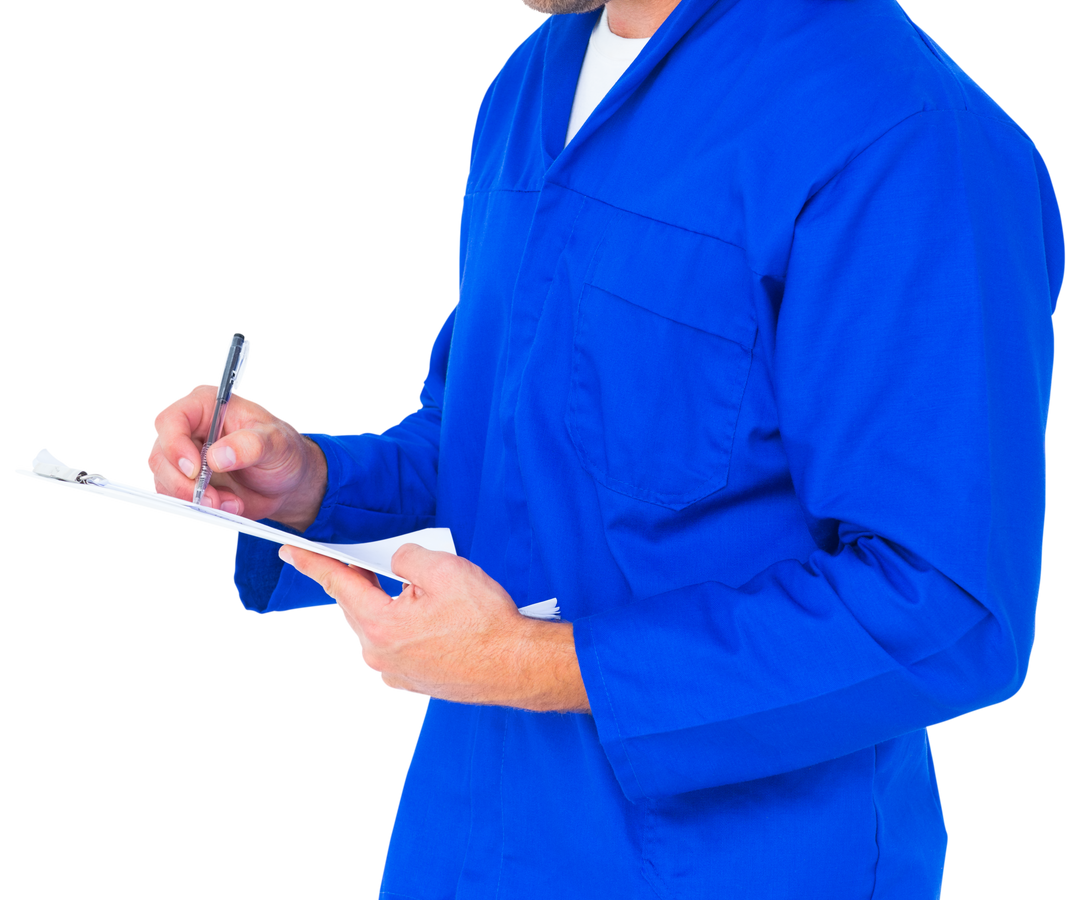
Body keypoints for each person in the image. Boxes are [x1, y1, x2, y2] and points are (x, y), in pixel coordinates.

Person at [145, 0, 1065, 896]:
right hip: (462, 836)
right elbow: (496, 444)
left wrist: (529, 664)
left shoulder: (903, 133)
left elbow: (946, 605)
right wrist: (315, 485)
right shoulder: (535, 76)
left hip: (731, 868)